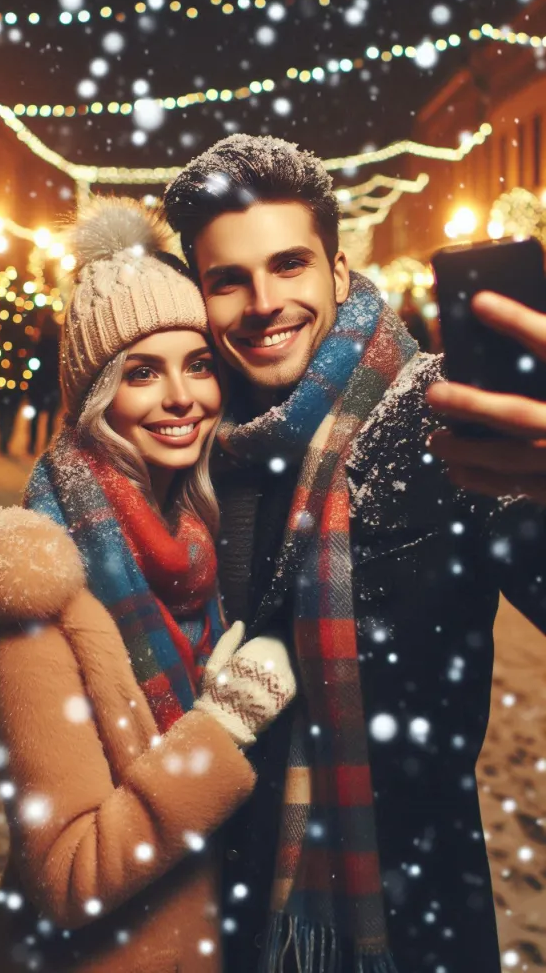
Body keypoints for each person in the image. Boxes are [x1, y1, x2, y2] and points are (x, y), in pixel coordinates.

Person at [160, 134, 546, 973]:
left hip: (403, 915)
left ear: (337, 272)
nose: (263, 302)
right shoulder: (185, 445)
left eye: (290, 265)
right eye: (228, 279)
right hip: (210, 909)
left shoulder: (436, 418)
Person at [0, 196, 296, 973]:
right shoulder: (41, 589)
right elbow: (69, 873)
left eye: (198, 364)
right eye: (140, 373)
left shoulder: (194, 548)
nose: (181, 398)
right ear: (94, 396)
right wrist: (222, 725)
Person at [27, 313, 61, 455]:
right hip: (52, 385)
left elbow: (33, 365)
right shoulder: (57, 345)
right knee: (50, 417)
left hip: (39, 385)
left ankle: (32, 443)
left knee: (35, 416)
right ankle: (47, 444)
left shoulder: (38, 344)